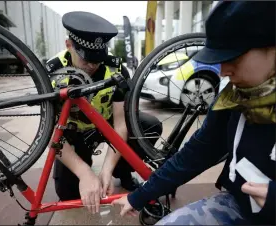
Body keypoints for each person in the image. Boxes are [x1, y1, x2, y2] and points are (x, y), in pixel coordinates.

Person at [113, 1, 275, 225]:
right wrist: (140, 195)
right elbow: (197, 152)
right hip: (238, 208)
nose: (223, 70)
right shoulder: (235, 98)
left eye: (233, 57)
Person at [45, 11, 163, 214]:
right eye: (86, 59)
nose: (92, 65)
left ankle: (121, 170)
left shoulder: (115, 70)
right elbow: (50, 134)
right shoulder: (51, 74)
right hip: (73, 134)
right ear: (69, 45)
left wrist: (106, 169)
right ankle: (86, 168)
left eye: (97, 59)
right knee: (68, 193)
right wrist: (84, 173)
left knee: (148, 125)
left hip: (105, 126)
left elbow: (120, 125)